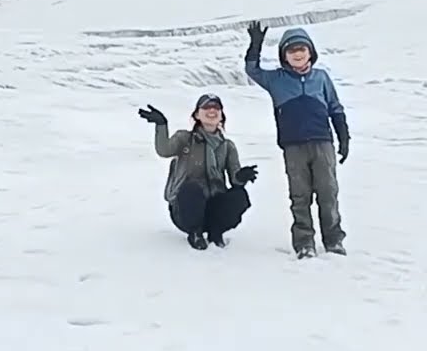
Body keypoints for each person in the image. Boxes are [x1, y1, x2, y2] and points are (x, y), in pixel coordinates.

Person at [244, 21, 350, 258]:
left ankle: (333, 240)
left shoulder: (321, 78)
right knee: (300, 196)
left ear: (310, 52)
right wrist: (255, 46)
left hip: (323, 143)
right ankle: (304, 243)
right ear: (284, 56)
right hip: (293, 147)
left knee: (328, 192)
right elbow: (253, 71)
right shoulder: (277, 80)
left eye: (302, 49)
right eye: (291, 51)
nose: (297, 54)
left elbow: (335, 107)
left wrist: (343, 136)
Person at [139, 93, 259, 250]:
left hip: (213, 209)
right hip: (185, 211)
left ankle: (216, 232)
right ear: (197, 114)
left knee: (239, 195)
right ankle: (195, 233)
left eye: (216, 107)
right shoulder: (185, 138)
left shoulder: (227, 146)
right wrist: (162, 125)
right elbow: (164, 150)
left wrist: (242, 176)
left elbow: (235, 180)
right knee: (192, 188)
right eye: (206, 107)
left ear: (222, 115)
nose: (212, 110)